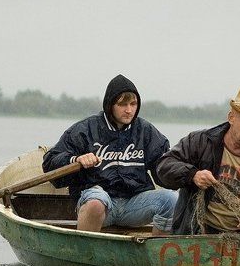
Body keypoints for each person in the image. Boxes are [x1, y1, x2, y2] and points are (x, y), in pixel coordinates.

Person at [42, 74, 177, 235]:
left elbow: (164, 169)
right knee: (97, 201)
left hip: (134, 205)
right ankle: (85, 251)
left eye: (133, 104)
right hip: (98, 204)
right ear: (110, 105)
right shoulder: (85, 129)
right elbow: (50, 163)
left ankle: (157, 254)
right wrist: (76, 159)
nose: (129, 110)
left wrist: (188, 173)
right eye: (122, 104)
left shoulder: (146, 131)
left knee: (172, 200)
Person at [156, 82, 240, 235]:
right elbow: (164, 166)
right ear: (231, 117)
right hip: (195, 232)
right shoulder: (199, 141)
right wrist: (193, 175)